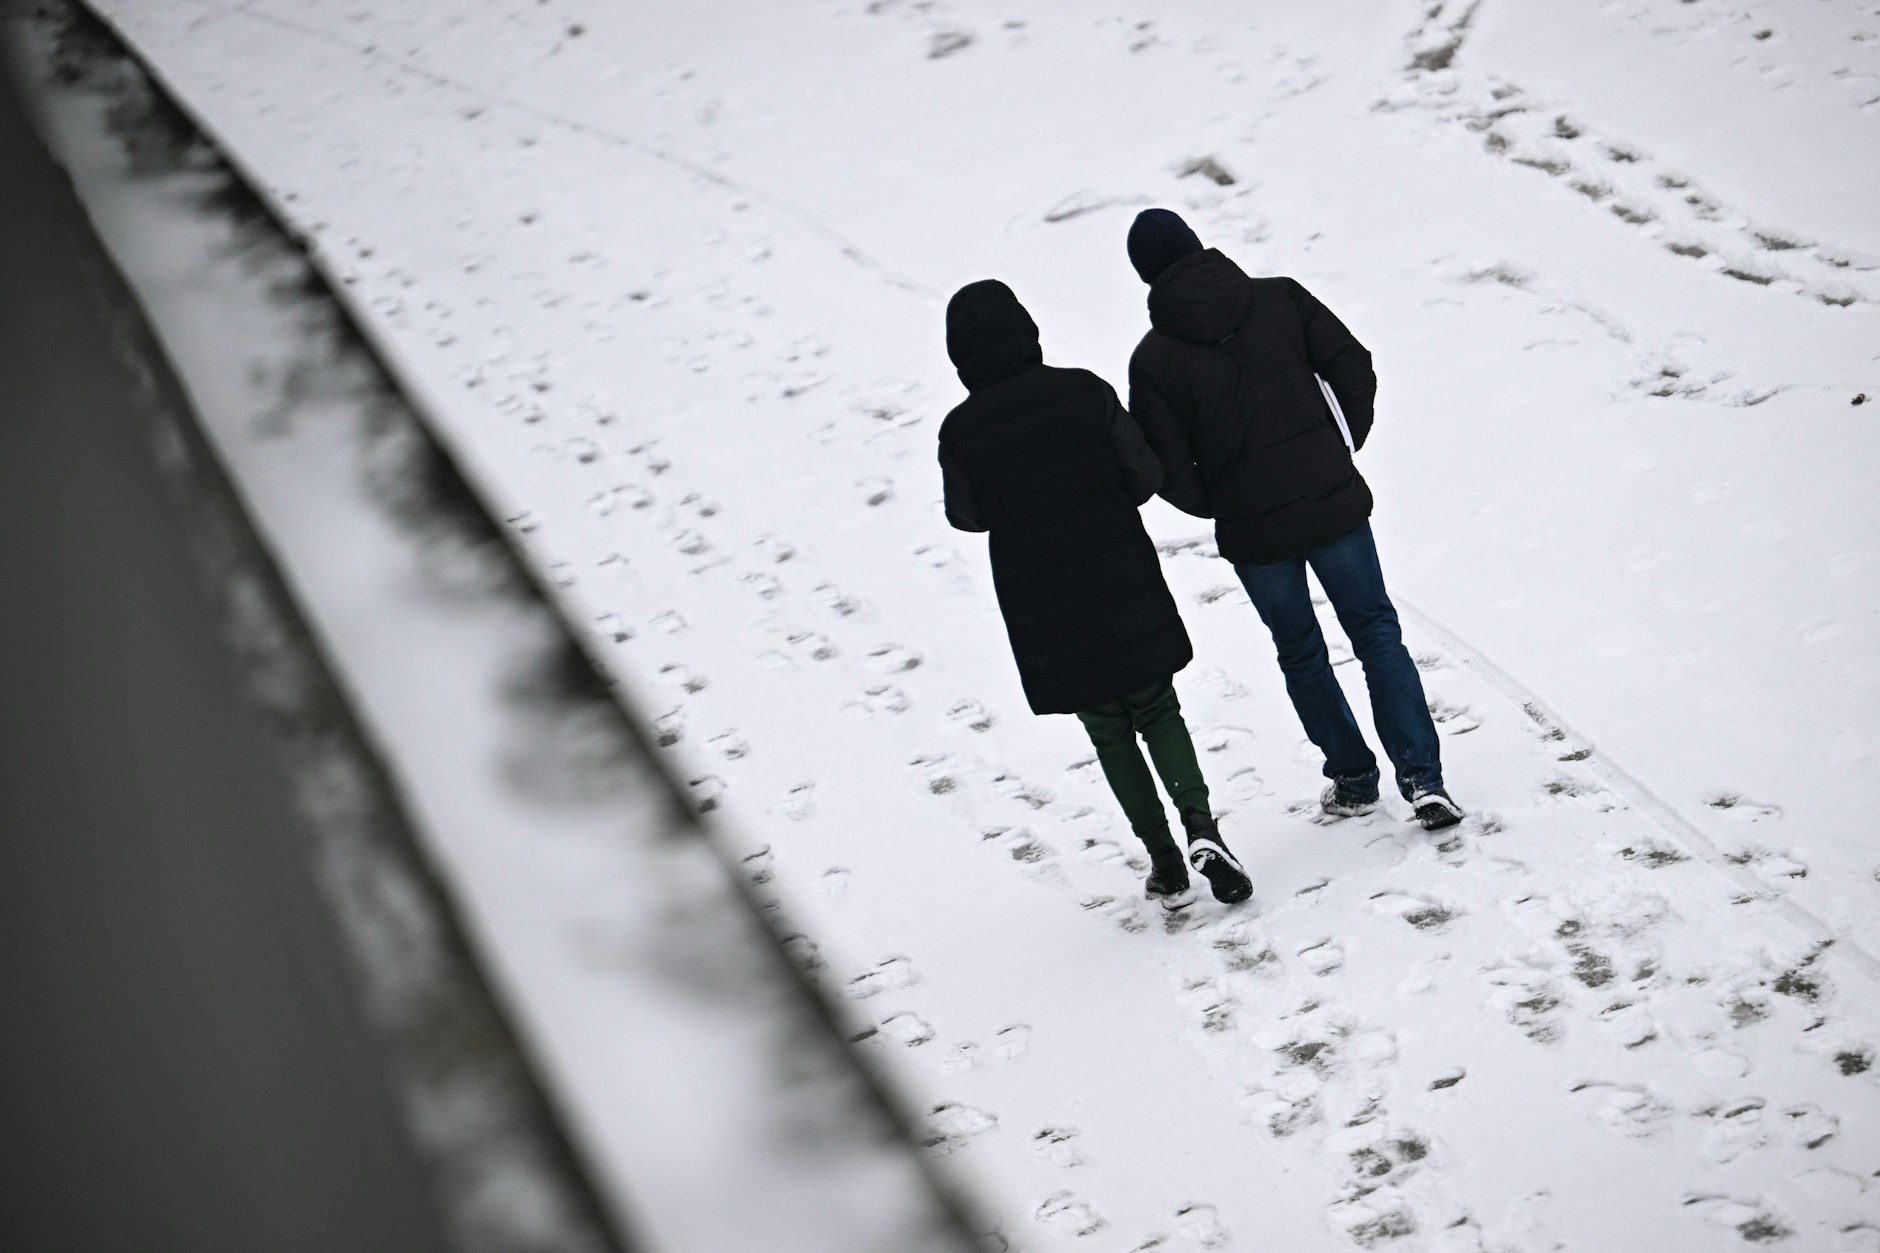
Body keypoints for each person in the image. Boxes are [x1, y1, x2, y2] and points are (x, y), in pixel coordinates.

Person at [1122, 209, 1464, 830]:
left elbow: (1166, 466)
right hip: (1329, 499)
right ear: (1198, 246)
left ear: (1144, 275)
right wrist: (1337, 446)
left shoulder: (1154, 360)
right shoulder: (1278, 299)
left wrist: (1224, 498)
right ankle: (1423, 780)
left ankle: (1355, 779)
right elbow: (1352, 364)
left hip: (1257, 532)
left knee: (1301, 651)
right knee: (1377, 634)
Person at [937, 279, 1252, 908]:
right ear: (1026, 332)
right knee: (1158, 706)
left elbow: (966, 516)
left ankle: (1165, 862)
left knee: (1107, 728)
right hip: (1118, 569)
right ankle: (1200, 827)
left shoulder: (961, 429)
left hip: (1043, 598)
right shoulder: (1084, 391)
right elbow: (1143, 474)